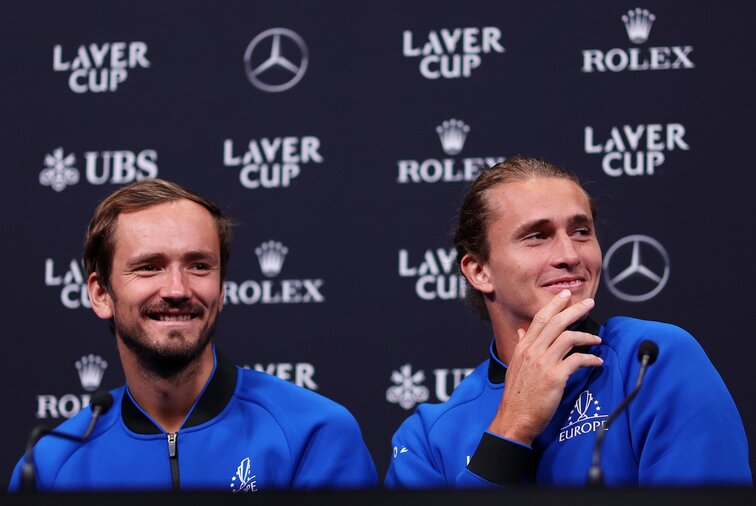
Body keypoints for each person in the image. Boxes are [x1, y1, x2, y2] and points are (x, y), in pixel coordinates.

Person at [385, 156, 751, 487]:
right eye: (537, 237)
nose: (570, 254)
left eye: (581, 232)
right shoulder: (425, 441)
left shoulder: (651, 362)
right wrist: (511, 430)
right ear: (479, 270)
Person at [9, 179, 377, 491]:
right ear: (101, 294)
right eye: (149, 267)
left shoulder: (313, 434)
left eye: (199, 266)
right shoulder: (49, 465)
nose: (177, 289)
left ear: (222, 289)